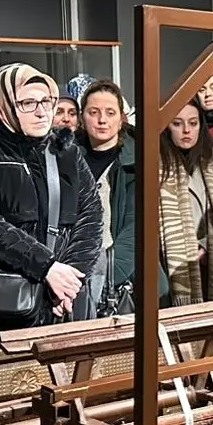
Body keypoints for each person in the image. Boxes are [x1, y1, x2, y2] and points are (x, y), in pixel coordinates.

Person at [0, 64, 103, 352]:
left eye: (47, 101)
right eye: (28, 103)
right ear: (4, 106)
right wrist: (46, 267)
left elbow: (91, 217)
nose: (42, 111)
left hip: (63, 303)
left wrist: (70, 281)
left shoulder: (67, 153)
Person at [159, 100, 213, 308]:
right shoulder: (158, 166)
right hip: (171, 265)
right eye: (177, 123)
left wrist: (206, 246)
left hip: (212, 263)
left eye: (193, 123)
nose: (186, 130)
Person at [77, 80, 136, 313]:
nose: (102, 120)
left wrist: (107, 275)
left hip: (120, 282)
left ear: (121, 119)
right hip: (72, 280)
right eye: (94, 112)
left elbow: (135, 230)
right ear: (82, 118)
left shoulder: (136, 164)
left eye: (110, 113)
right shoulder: (64, 160)